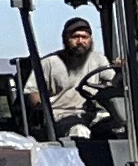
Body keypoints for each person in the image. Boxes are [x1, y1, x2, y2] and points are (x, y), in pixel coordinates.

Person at [33, 16, 124, 153]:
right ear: (65, 38)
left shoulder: (98, 60)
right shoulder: (50, 62)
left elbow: (113, 83)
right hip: (62, 115)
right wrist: (41, 108)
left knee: (121, 126)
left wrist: (123, 71)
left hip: (92, 114)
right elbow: (33, 91)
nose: (80, 41)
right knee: (80, 131)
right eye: (75, 37)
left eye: (84, 37)